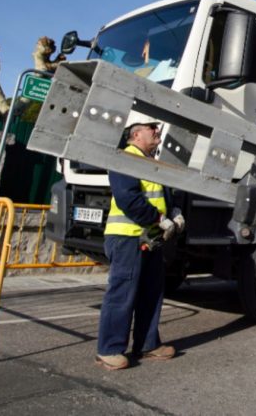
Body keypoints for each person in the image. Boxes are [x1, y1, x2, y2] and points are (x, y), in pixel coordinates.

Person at [95, 112, 184, 370]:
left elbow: (163, 195)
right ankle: (109, 350)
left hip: (151, 239)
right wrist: (159, 219)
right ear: (136, 134)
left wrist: (175, 213)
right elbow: (128, 199)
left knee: (151, 293)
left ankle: (148, 345)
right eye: (151, 127)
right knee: (123, 293)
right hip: (127, 239)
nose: (157, 131)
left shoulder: (150, 161)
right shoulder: (126, 159)